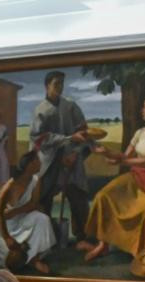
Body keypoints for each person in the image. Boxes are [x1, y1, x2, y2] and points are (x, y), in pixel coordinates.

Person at [81, 95, 145, 262]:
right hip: (137, 175)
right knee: (103, 195)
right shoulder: (140, 132)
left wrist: (121, 160)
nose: (142, 110)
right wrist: (106, 152)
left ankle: (142, 251)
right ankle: (102, 245)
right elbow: (125, 155)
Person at [29, 70, 91, 244]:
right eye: (56, 84)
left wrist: (75, 153)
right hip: (50, 162)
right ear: (47, 86)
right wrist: (66, 141)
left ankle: (82, 236)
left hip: (72, 159)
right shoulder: (41, 110)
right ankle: (45, 240)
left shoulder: (71, 106)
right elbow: (38, 138)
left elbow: (84, 132)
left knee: (78, 196)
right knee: (44, 199)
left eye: (62, 84)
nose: (60, 87)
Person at [0, 151, 57, 274]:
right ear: (29, 165)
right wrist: (7, 237)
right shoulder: (10, 185)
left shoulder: (36, 181)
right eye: (37, 161)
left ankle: (33, 259)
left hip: (17, 217)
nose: (40, 163)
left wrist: (14, 212)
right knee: (10, 259)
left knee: (42, 219)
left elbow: (32, 204)